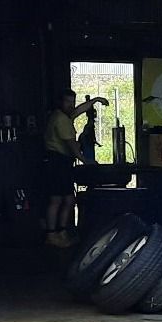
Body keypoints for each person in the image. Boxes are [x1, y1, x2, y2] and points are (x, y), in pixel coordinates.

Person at [43, 89, 104, 247]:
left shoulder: (64, 116)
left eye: (72, 101)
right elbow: (72, 146)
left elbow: (79, 110)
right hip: (57, 162)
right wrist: (86, 160)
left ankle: (61, 232)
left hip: (62, 163)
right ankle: (52, 235)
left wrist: (95, 100)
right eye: (67, 102)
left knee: (69, 199)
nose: (71, 105)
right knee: (57, 200)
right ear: (60, 102)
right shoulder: (61, 119)